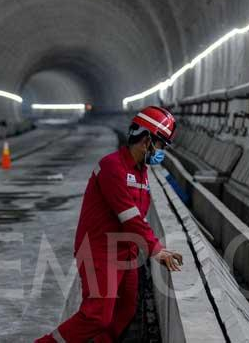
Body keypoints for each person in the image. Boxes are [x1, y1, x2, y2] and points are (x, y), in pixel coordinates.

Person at [36, 106, 183, 343]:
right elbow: (130, 216)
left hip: (126, 253)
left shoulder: (140, 172)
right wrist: (156, 249)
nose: (161, 151)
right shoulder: (112, 166)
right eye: (160, 145)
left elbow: (138, 218)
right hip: (99, 252)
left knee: (124, 311)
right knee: (97, 317)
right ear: (147, 140)